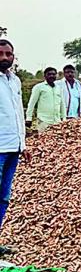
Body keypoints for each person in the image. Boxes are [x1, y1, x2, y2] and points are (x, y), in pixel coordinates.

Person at [0, 39, 31, 256]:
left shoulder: (15, 81)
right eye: (0, 54)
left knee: (3, 197)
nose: (4, 58)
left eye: (8, 54)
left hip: (13, 147)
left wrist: (24, 143)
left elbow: (18, 112)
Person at [25, 67, 66, 132]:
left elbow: (62, 104)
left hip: (57, 121)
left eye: (53, 74)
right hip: (43, 121)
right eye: (49, 74)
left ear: (56, 75)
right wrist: (29, 118)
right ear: (45, 76)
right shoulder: (39, 87)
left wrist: (64, 118)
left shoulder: (59, 88)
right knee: (43, 140)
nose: (51, 76)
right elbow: (31, 103)